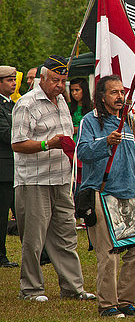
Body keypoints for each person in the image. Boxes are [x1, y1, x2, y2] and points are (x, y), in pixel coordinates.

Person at [11, 56, 95, 302]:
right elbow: (17, 143)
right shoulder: (27, 104)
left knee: (66, 235)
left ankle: (72, 287)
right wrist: (48, 144)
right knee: (34, 239)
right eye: (56, 80)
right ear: (43, 78)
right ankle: (31, 289)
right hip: (34, 180)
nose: (60, 85)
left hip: (61, 179)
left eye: (63, 81)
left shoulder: (62, 102)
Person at [78, 75, 135, 318]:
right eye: (113, 92)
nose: (119, 96)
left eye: (121, 92)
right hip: (103, 193)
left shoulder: (131, 122)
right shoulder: (90, 121)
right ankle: (108, 305)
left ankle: (126, 300)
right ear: (101, 96)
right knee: (109, 253)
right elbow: (82, 152)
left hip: (131, 193)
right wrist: (105, 142)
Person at [0, 66, 19, 268]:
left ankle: (43, 254)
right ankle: (0, 255)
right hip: (4, 170)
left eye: (14, 79)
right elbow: (6, 134)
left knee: (23, 213)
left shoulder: (13, 105)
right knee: (2, 216)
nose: (13, 83)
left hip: (16, 168)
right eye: (8, 80)